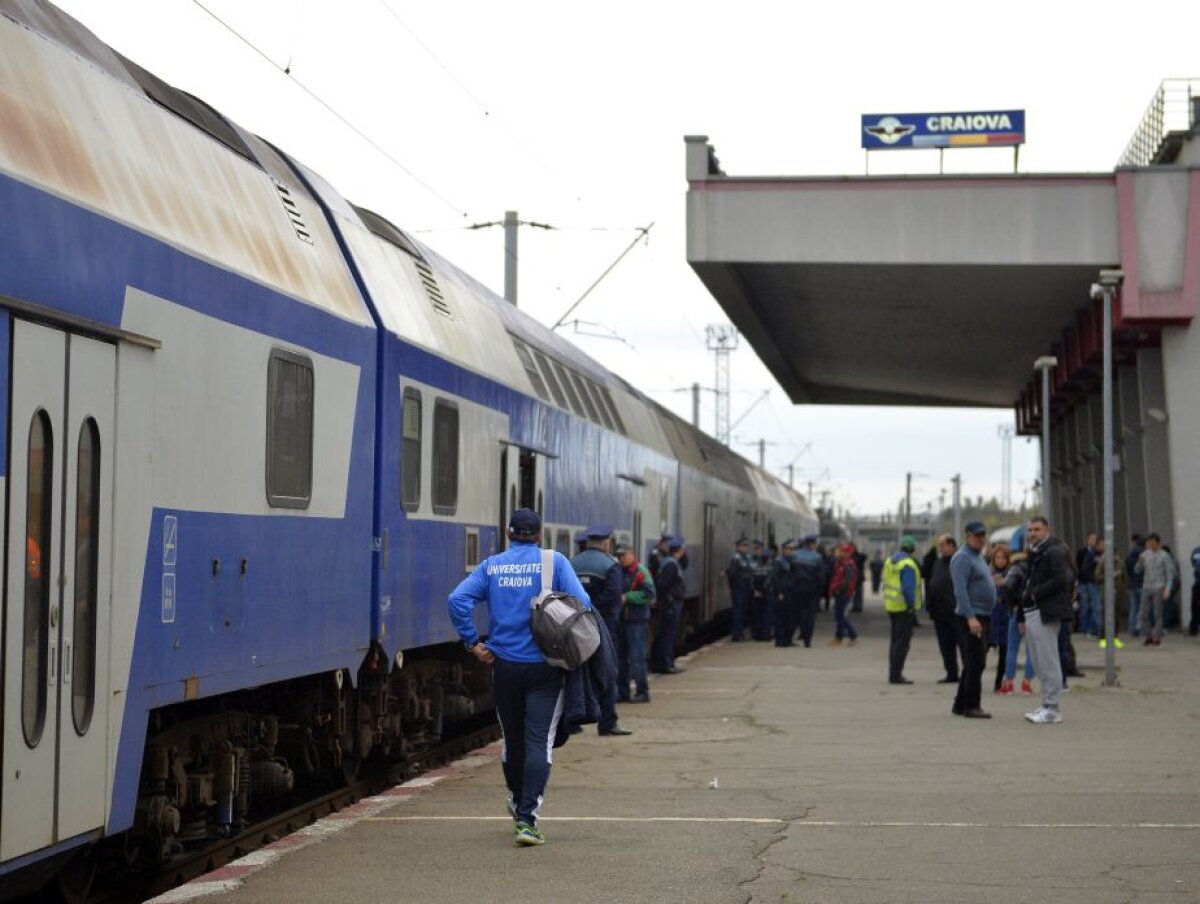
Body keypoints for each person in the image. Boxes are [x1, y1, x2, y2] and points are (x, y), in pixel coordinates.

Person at [447, 508, 592, 846]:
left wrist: (472, 642)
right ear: (539, 535)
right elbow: (583, 602)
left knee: (512, 741)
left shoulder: (492, 566)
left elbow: (457, 600)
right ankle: (527, 819)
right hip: (546, 667)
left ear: (507, 534)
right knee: (537, 742)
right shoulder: (553, 562)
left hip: (505, 668)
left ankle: (515, 800)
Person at [569, 525, 631, 736]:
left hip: (575, 627)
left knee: (575, 672)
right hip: (604, 628)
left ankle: (573, 721)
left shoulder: (572, 563)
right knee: (607, 672)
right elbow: (614, 595)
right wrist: (595, 611)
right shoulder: (610, 565)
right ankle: (607, 722)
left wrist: (582, 611)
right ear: (606, 543)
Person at [1020, 516, 1072, 724]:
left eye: (1037, 529)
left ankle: (1052, 707)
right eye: (1030, 530)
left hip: (1046, 611)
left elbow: (1061, 579)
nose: (1032, 533)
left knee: (1048, 660)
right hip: (1033, 611)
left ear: (1047, 530)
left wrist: (1035, 594)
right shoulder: (1036, 552)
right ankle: (1047, 703)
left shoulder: (1054, 551)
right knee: (1039, 660)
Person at [950, 522, 996, 718]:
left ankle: (960, 704)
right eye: (977, 536)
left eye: (983, 535)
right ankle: (972, 705)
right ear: (968, 536)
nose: (981, 539)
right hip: (972, 617)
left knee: (973, 662)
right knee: (976, 662)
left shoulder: (977, 556)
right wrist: (970, 617)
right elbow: (960, 590)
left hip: (982, 615)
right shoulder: (962, 558)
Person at [616, 542, 655, 702]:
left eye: (623, 555)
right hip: (622, 620)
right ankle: (623, 692)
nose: (621, 559)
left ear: (632, 555)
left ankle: (642, 691)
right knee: (622, 658)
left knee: (637, 657)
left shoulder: (641, 572)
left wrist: (628, 597)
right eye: (618, 556)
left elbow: (649, 594)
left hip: (637, 621)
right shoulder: (618, 571)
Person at [882, 535, 922, 684]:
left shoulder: (890, 561)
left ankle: (893, 672)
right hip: (904, 608)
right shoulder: (908, 564)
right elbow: (907, 588)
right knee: (902, 643)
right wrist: (911, 606)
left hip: (892, 606)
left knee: (894, 641)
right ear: (913, 549)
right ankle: (896, 675)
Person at [925, 534, 961, 684]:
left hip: (956, 612)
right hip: (939, 613)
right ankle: (951, 673)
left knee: (963, 645)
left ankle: (968, 674)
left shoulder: (959, 561)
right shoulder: (937, 563)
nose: (940, 548)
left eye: (942, 545)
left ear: (952, 546)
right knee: (945, 646)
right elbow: (929, 579)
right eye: (939, 545)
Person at [651, 536, 687, 673]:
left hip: (670, 603)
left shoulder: (670, 562)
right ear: (680, 550)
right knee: (668, 634)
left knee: (666, 634)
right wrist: (669, 598)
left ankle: (667, 662)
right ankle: (666, 664)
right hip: (670, 604)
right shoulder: (671, 564)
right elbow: (662, 584)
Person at [1135, 533, 1173, 646]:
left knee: (1157, 613)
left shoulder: (1164, 555)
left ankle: (1157, 636)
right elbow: (1137, 570)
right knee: (1143, 613)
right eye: (1149, 542)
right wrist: (1140, 562)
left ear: (1158, 543)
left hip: (1159, 586)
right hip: (1146, 586)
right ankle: (1148, 635)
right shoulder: (1145, 555)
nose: (1150, 545)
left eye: (1153, 542)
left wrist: (1167, 589)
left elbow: (1169, 574)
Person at [791, 536, 826, 647]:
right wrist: (820, 591)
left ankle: (800, 633)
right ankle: (807, 640)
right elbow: (821, 576)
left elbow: (791, 572)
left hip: (797, 589)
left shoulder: (795, 555)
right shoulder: (817, 557)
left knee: (798, 613)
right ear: (812, 544)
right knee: (810, 615)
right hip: (812, 589)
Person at [829, 543, 859, 645]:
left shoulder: (848, 564)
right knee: (839, 615)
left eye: (841, 551)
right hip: (839, 592)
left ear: (847, 553)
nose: (839, 552)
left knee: (839, 615)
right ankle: (841, 637)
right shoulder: (840, 563)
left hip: (844, 593)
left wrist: (839, 590)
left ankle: (849, 635)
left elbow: (848, 580)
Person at [726, 538, 754, 641]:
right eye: (742, 546)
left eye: (746, 546)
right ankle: (736, 634)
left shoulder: (747, 558)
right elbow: (732, 574)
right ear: (737, 547)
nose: (745, 548)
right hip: (738, 588)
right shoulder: (736, 559)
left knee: (743, 612)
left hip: (746, 588)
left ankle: (740, 632)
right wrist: (733, 586)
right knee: (737, 612)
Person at [772, 538, 798, 646]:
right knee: (781, 617)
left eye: (792, 549)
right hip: (783, 592)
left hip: (792, 593)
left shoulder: (794, 561)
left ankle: (788, 639)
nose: (791, 551)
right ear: (783, 550)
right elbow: (776, 578)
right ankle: (780, 640)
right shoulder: (779, 562)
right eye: (789, 549)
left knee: (791, 618)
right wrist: (779, 592)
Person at [1076, 532, 1100, 636]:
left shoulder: (1098, 552)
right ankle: (1085, 627)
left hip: (1094, 581)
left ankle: (1095, 627)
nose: (1094, 541)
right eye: (1092, 539)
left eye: (1095, 539)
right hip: (1084, 582)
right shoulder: (1082, 552)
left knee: (1095, 605)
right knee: (1085, 605)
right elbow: (1078, 566)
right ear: (1087, 540)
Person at [749, 540, 773, 641]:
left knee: (756, 615)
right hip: (767, 593)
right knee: (767, 615)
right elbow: (770, 580)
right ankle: (765, 635)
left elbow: (751, 580)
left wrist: (755, 590)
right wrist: (764, 591)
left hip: (756, 594)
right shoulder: (770, 567)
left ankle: (757, 635)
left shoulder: (754, 566)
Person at [1125, 534, 1145, 636]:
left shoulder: (1129, 554)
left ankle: (1132, 628)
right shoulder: (1144, 554)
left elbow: (1127, 569)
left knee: (1133, 607)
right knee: (1143, 607)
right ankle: (1140, 627)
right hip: (1141, 582)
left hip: (1132, 583)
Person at [1190, 544, 1200, 636]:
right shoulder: (1197, 551)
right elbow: (1195, 563)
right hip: (1198, 582)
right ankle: (1193, 628)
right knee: (1194, 606)